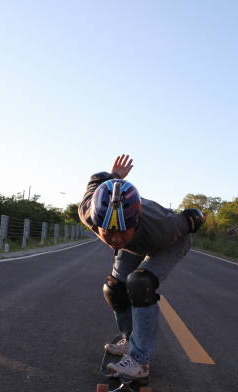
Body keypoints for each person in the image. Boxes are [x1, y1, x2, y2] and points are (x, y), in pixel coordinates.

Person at [78, 154, 204, 379]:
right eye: (108, 233)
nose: (115, 239)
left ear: (135, 222)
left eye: (121, 231)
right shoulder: (88, 212)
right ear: (96, 223)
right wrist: (115, 175)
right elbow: (95, 181)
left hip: (168, 243)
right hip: (134, 246)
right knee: (114, 289)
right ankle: (129, 339)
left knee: (140, 284)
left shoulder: (163, 226)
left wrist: (195, 217)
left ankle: (139, 361)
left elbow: (192, 219)